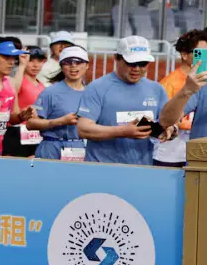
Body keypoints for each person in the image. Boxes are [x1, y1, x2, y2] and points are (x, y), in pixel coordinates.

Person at [77, 36, 174, 166]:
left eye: (143, 64)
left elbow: (167, 123)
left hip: (142, 169)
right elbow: (82, 129)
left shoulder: (156, 89)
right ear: (116, 58)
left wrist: (170, 129)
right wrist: (122, 132)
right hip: (102, 168)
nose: (137, 69)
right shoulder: (97, 87)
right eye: (131, 63)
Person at [154, 29, 207, 168]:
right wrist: (186, 90)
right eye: (201, 53)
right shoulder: (196, 85)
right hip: (179, 154)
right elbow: (165, 119)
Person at [26, 46, 88, 161]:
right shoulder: (50, 92)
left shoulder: (91, 94)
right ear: (61, 66)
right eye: (68, 62)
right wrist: (59, 121)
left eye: (78, 62)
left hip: (80, 149)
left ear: (87, 65)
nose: (73, 66)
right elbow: (30, 124)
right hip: (52, 148)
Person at [3, 46, 46, 157]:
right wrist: (22, 65)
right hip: (17, 131)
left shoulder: (41, 85)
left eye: (39, 61)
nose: (36, 65)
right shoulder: (19, 79)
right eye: (31, 60)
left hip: (35, 133)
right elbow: (13, 91)